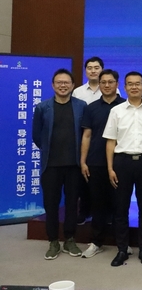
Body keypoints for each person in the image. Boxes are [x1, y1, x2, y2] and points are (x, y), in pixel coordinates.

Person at [104, 71, 142, 267]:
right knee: (121, 208)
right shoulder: (116, 111)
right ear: (124, 87)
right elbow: (111, 141)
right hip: (122, 162)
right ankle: (122, 249)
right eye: (130, 84)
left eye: (138, 84)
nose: (134, 87)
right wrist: (110, 168)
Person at [33, 69, 87, 260]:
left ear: (73, 86)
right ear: (53, 85)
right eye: (59, 82)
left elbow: (86, 134)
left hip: (74, 165)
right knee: (51, 204)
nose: (63, 85)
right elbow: (37, 135)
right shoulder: (43, 107)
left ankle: (70, 239)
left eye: (66, 82)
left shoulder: (81, 106)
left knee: (72, 204)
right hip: (51, 165)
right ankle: (53, 241)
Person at [79, 69, 125, 258]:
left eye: (110, 82)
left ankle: (122, 244)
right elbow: (87, 135)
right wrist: (83, 160)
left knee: (120, 205)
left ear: (117, 84)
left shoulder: (125, 106)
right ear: (99, 84)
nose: (106, 85)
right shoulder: (91, 108)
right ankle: (96, 242)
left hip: (121, 162)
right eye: (103, 82)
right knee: (98, 204)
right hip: (96, 161)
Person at [73, 56, 111, 225]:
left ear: (102, 69)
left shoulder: (112, 89)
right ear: (85, 70)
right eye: (89, 68)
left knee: (103, 180)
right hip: (84, 137)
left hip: (104, 139)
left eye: (96, 68)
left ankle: (105, 214)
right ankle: (84, 211)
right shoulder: (78, 92)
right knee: (84, 178)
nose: (93, 71)